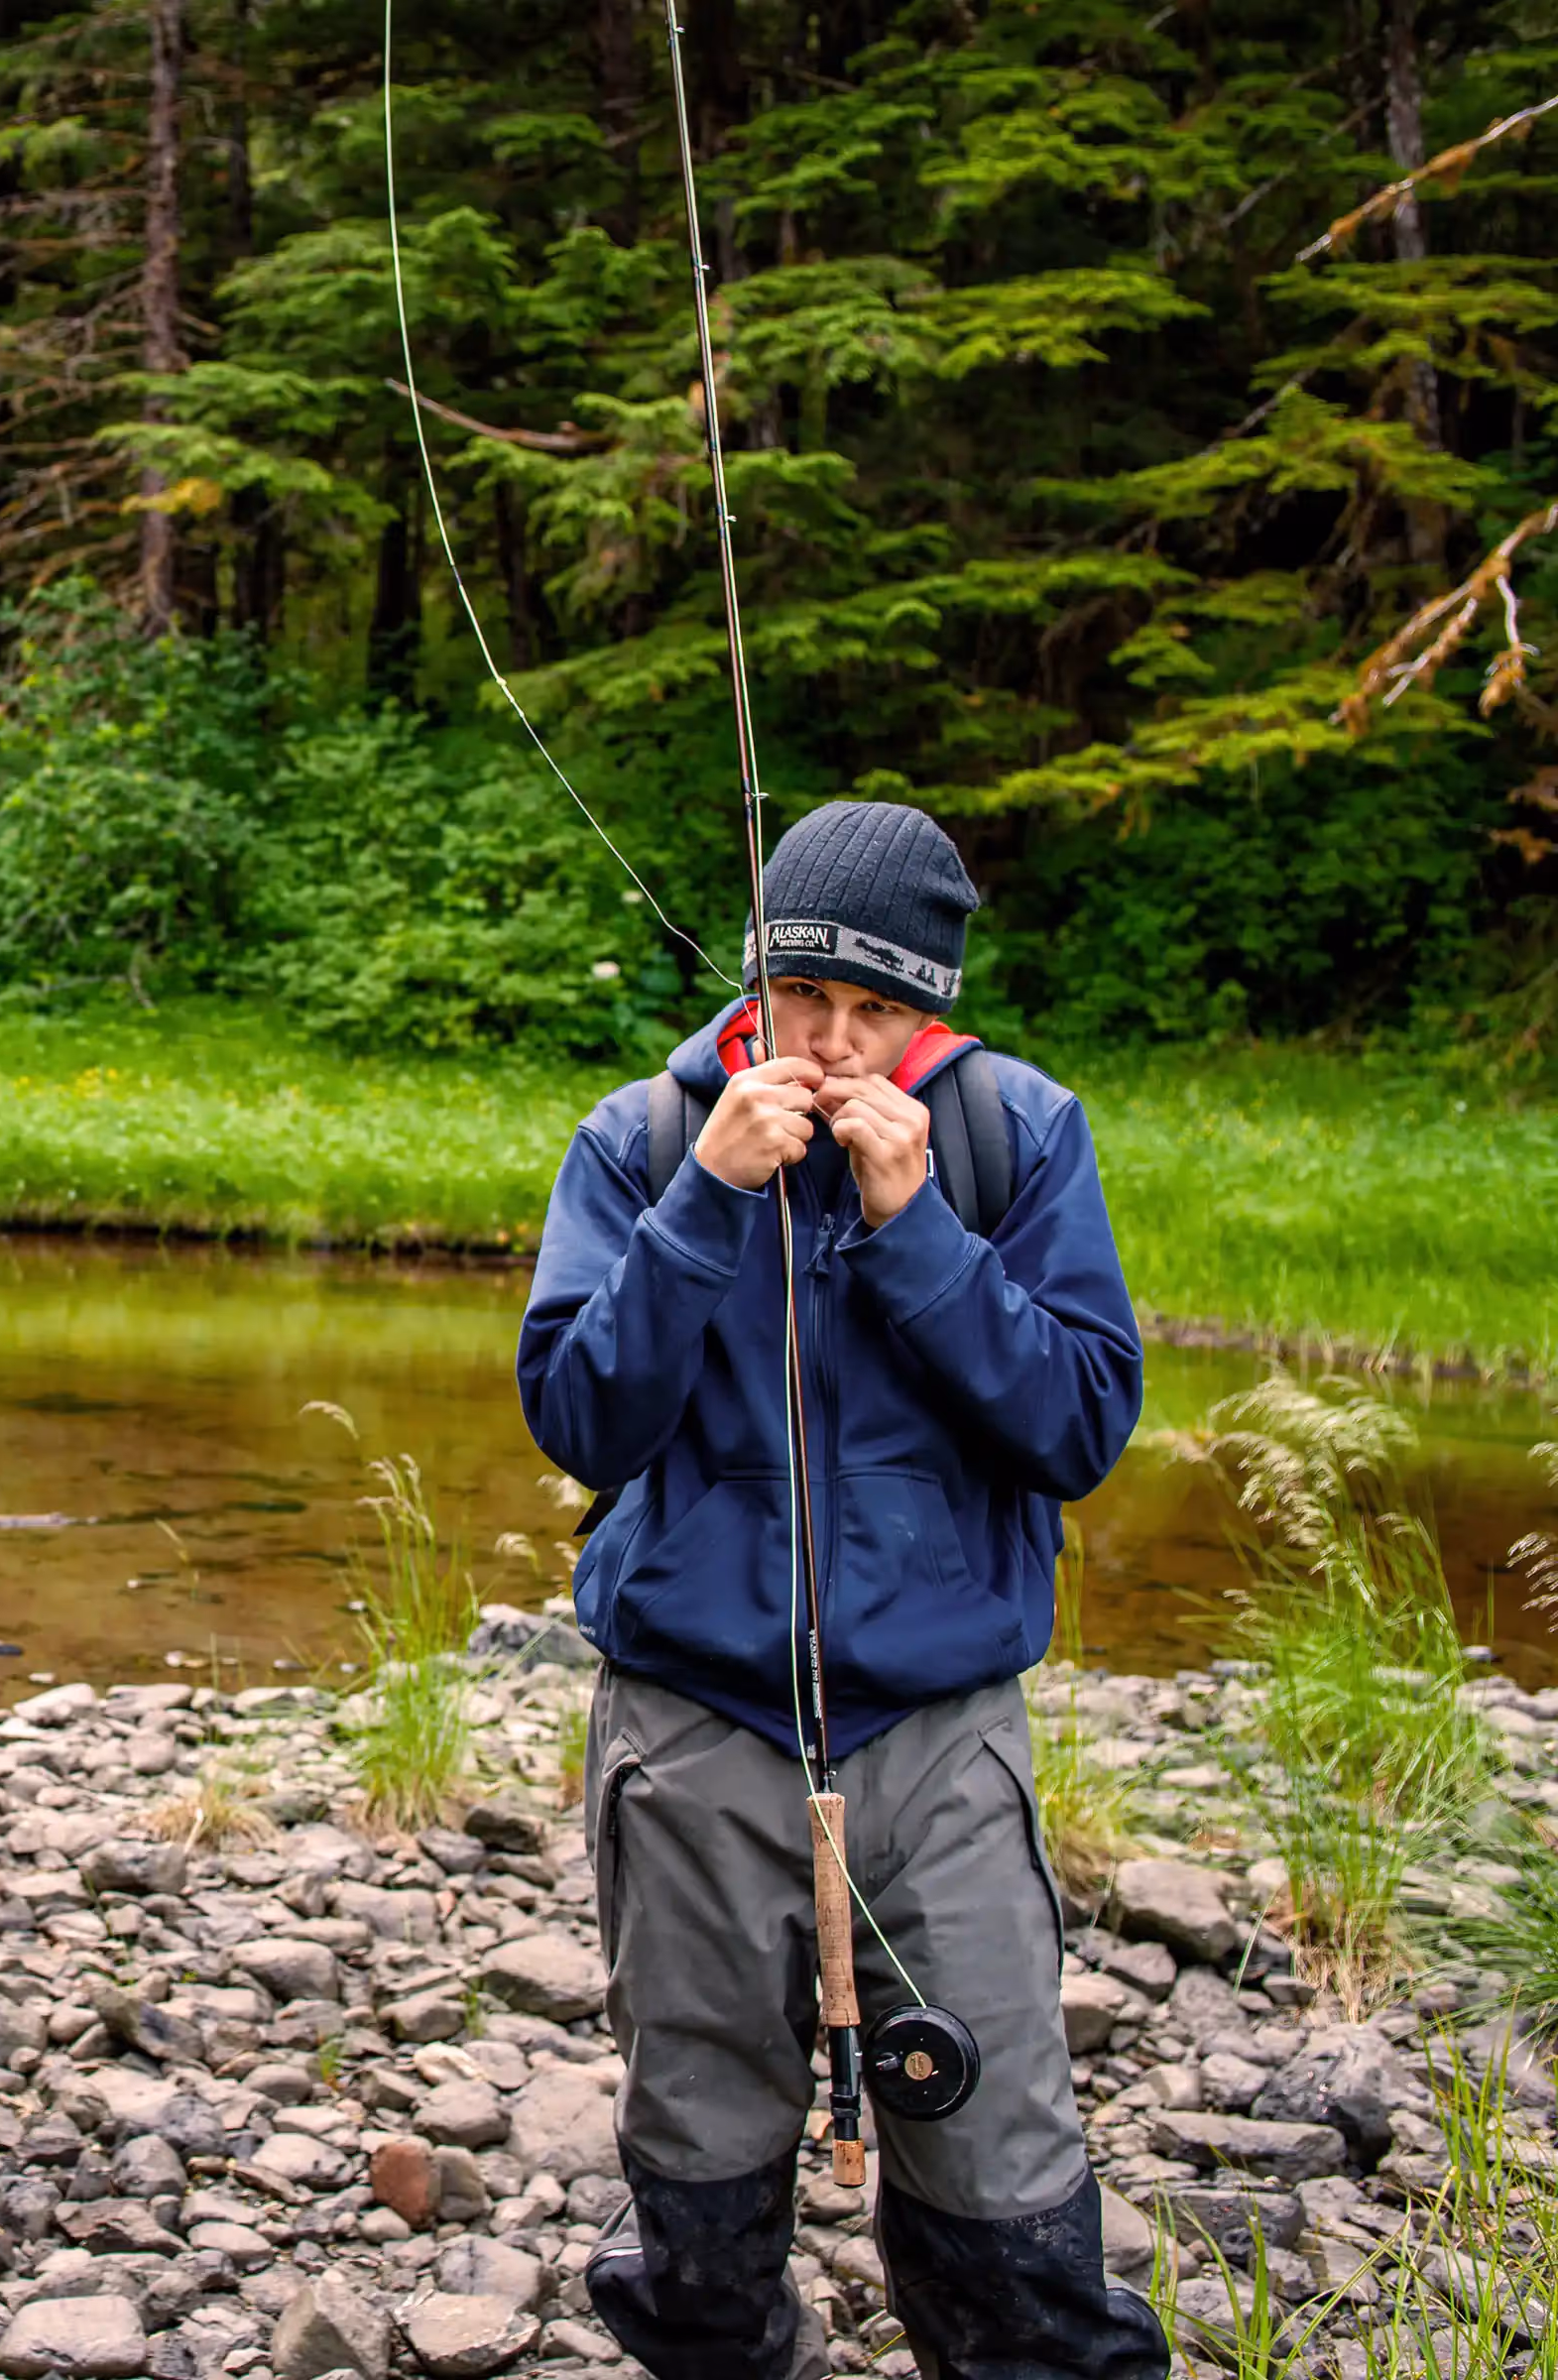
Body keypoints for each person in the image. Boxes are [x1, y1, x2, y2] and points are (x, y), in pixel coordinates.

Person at [517, 799, 1168, 2380]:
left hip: (938, 1731)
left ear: (928, 1007)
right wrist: (707, 1208)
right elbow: (580, 1414)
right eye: (803, 997)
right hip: (693, 1722)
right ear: (757, 978)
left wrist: (916, 1228)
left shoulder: (1017, 1134)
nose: (832, 1043)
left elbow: (1078, 1425)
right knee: (698, 2181)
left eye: (877, 1009)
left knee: (1003, 2183)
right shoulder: (645, 1141)